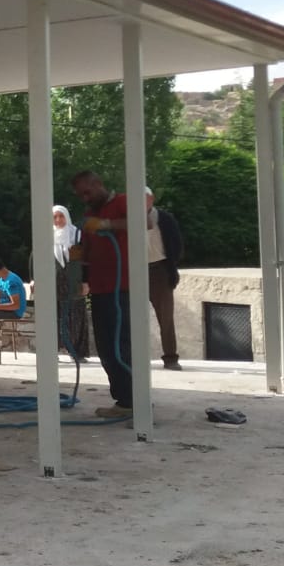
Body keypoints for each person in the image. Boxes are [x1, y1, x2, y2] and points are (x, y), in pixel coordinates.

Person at [71, 170, 155, 417]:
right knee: (107, 349)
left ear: (99, 184)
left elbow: (146, 222)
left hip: (124, 287)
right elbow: (88, 249)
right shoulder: (90, 215)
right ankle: (124, 401)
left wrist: (107, 224)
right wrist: (78, 258)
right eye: (80, 195)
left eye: (87, 192)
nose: (85, 198)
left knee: (123, 345)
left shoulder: (122, 202)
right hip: (100, 288)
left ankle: (136, 401)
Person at [145, 187, 185, 371]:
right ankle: (134, 357)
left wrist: (170, 266)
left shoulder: (164, 218)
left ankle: (170, 358)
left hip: (160, 270)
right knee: (132, 316)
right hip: (136, 271)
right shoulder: (128, 219)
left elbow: (176, 244)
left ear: (151, 199)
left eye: (144, 198)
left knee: (166, 317)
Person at [52, 205, 90, 360]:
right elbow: (35, 259)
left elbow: (85, 260)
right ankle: (52, 350)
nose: (58, 220)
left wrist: (86, 281)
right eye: (54, 217)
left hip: (74, 280)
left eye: (61, 216)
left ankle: (77, 352)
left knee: (76, 315)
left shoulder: (76, 235)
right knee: (54, 316)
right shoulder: (47, 236)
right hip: (54, 282)